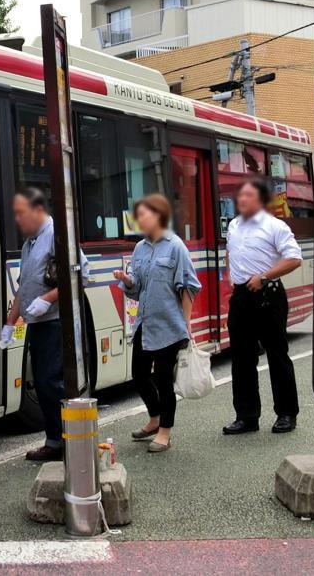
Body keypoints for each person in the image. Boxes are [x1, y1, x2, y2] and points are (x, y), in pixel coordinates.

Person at [114, 193, 201, 453]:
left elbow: (189, 286)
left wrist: (185, 323)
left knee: (163, 378)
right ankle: (154, 418)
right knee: (139, 375)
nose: (139, 220)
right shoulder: (140, 248)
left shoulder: (176, 246)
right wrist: (127, 281)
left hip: (170, 326)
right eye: (137, 215)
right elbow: (137, 287)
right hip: (145, 322)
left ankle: (165, 431)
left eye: (144, 215)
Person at [223, 178, 303, 436]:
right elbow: (229, 252)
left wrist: (265, 276)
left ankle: (286, 413)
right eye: (240, 196)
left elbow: (294, 258)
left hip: (268, 295)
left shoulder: (275, 226)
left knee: (277, 355)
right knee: (241, 358)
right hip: (241, 296)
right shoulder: (233, 225)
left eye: (247, 196)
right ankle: (246, 416)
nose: (241, 200)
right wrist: (231, 276)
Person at [3, 187, 67, 462]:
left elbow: (79, 275)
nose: (17, 220)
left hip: (54, 320)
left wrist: (48, 298)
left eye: (21, 213)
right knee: (42, 383)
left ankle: (62, 442)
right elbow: (22, 288)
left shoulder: (57, 235)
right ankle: (55, 440)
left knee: (50, 382)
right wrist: (10, 323)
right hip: (36, 322)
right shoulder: (31, 243)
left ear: (38, 211)